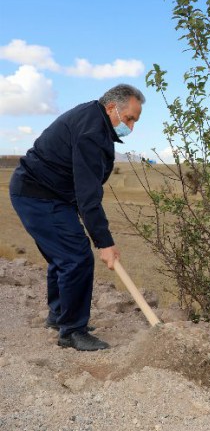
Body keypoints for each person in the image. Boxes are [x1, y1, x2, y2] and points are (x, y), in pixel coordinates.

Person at [9, 84, 145, 351]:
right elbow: (88, 193)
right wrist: (104, 243)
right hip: (38, 195)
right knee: (76, 257)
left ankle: (60, 315)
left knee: (63, 255)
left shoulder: (94, 120)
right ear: (111, 108)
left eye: (134, 122)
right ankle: (72, 332)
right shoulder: (91, 131)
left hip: (49, 194)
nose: (131, 127)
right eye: (129, 119)